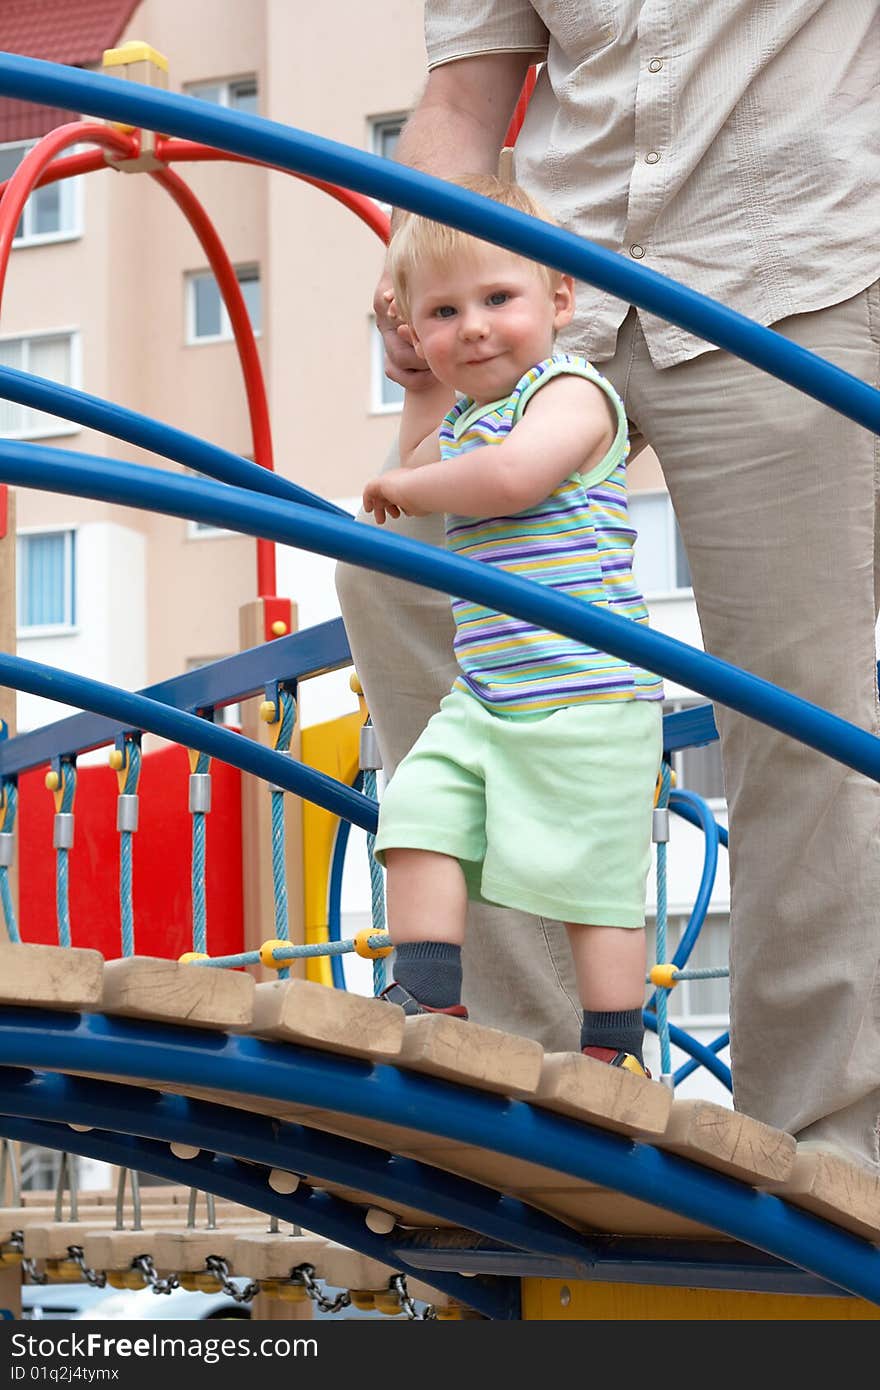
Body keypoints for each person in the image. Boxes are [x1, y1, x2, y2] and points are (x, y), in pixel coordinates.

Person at [335, 3, 880, 1171]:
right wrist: (419, 268)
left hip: (794, 267)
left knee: (797, 699)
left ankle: (825, 1137)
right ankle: (521, 1068)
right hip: (549, 279)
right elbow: (465, 96)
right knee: (401, 582)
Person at [362, 176, 663, 1076]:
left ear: (559, 299)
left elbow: (510, 481)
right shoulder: (464, 416)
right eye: (445, 314)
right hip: (489, 697)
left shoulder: (574, 393)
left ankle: (613, 1050)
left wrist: (406, 488)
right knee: (413, 814)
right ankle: (429, 992)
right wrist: (418, 385)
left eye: (499, 299)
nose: (477, 327)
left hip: (589, 698)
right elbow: (428, 456)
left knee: (594, 888)